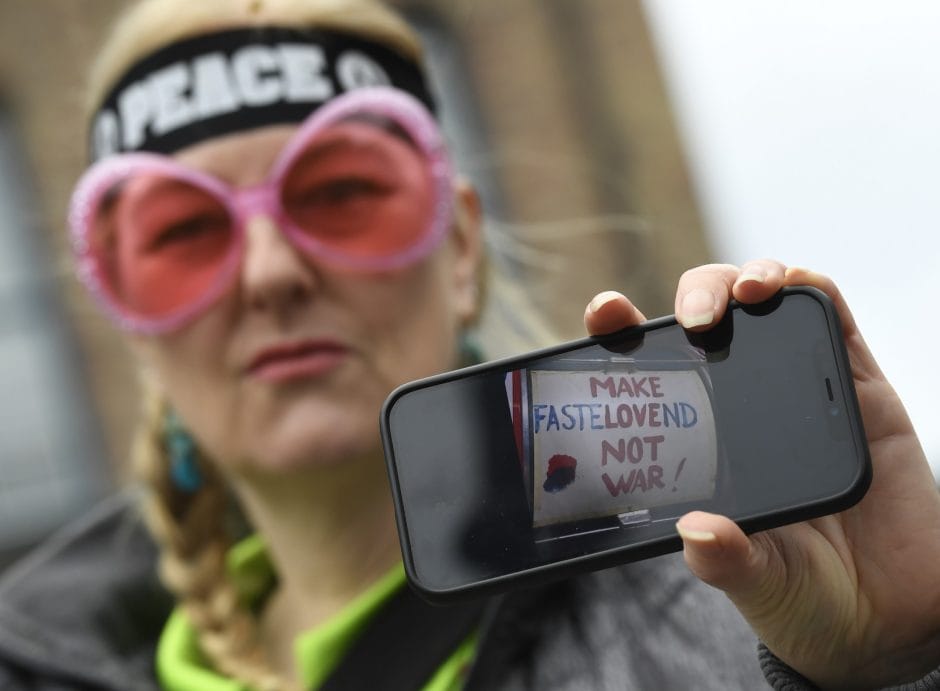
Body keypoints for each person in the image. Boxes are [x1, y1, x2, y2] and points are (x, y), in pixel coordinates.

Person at [0, 1, 936, 690]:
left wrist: (898, 668)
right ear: (127, 314)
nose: (270, 272)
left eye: (343, 195)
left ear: (457, 250)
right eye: (183, 234)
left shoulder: (746, 625)